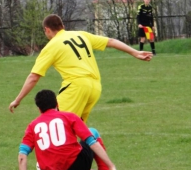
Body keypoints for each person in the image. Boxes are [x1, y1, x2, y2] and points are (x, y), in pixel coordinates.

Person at [9, 14, 153, 123]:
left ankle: (52, 163)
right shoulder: (80, 35)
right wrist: (134, 52)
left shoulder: (51, 46)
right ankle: (81, 161)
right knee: (76, 130)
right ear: (63, 26)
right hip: (95, 87)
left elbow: (34, 77)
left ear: (46, 30)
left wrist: (17, 99)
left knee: (55, 125)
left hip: (76, 88)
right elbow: (111, 41)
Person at [11, 89, 125, 170]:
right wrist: (111, 166)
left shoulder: (32, 126)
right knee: (92, 132)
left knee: (69, 156)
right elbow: (92, 143)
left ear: (39, 108)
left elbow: (22, 156)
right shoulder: (69, 117)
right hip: (78, 167)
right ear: (57, 103)